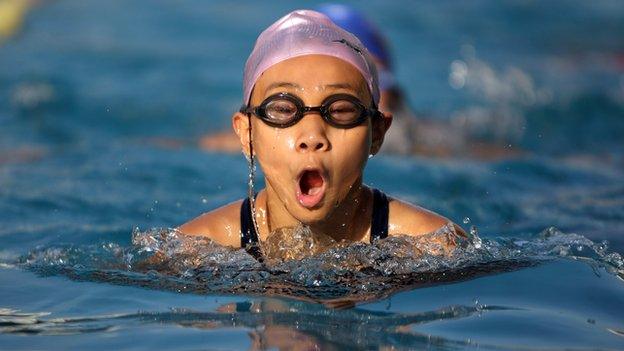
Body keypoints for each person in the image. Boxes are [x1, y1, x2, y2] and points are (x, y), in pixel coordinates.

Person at [178, 10, 464, 260]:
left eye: (340, 110)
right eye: (283, 109)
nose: (312, 136)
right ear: (246, 132)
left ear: (377, 133)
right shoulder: (194, 249)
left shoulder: (435, 245)